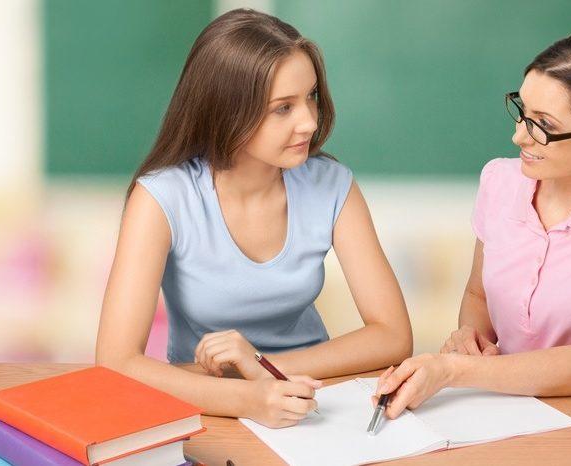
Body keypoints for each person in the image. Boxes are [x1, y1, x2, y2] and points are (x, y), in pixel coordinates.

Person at [96, 9, 412, 428]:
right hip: (208, 405)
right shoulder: (161, 198)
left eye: (311, 97)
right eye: (283, 108)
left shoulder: (332, 184)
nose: (309, 121)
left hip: (314, 396)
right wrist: (247, 397)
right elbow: (115, 363)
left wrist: (261, 365)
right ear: (227, 111)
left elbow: (393, 335)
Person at [375, 31, 571, 418]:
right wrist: (469, 340)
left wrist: (454, 370)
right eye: (522, 111)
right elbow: (478, 296)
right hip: (503, 413)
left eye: (543, 125)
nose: (518, 136)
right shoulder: (500, 181)